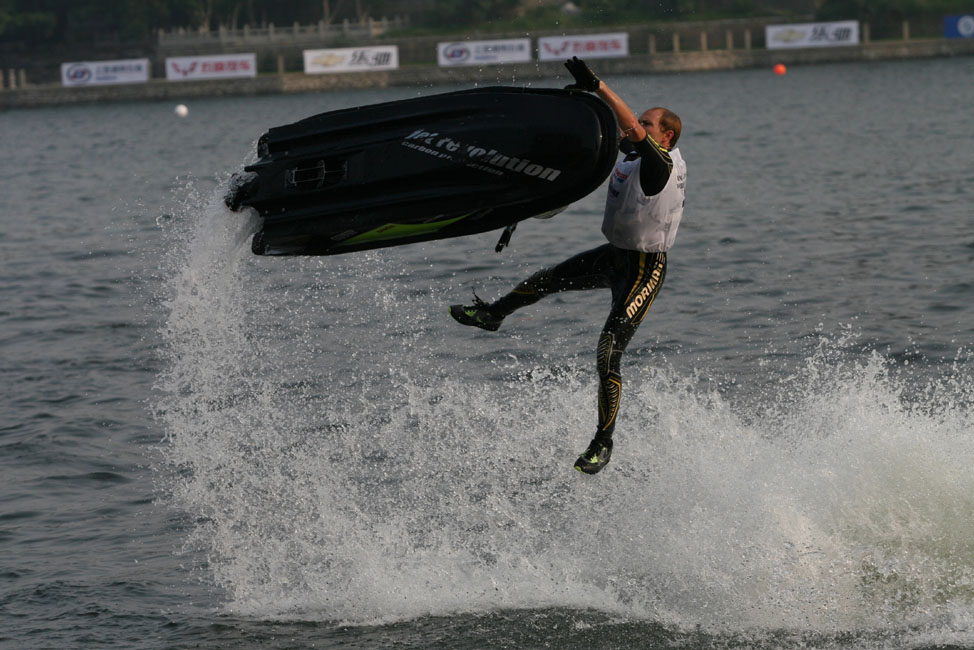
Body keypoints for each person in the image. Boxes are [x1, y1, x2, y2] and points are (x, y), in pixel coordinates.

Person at [449, 57, 687, 475]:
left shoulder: (662, 165)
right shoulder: (636, 154)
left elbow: (630, 130)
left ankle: (603, 441)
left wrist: (599, 86)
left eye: (649, 125)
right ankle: (491, 316)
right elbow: (604, 144)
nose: (640, 128)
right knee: (546, 280)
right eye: (643, 123)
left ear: (665, 136)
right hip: (613, 256)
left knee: (608, 351)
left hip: (644, 271)